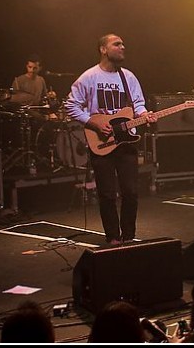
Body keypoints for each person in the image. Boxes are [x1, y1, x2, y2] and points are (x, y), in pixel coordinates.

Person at [64, 33, 157, 245]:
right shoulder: (89, 77)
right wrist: (93, 123)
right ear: (103, 49)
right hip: (101, 142)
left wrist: (143, 115)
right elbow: (71, 106)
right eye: (117, 44)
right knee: (107, 194)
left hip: (125, 141)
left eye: (123, 43)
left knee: (131, 192)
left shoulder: (128, 77)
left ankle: (129, 236)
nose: (122, 47)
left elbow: (138, 103)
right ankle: (113, 237)